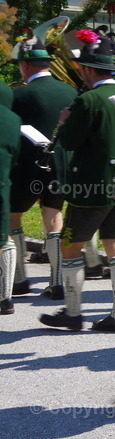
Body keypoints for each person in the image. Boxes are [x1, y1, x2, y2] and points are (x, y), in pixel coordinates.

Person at [39, 30, 115, 333]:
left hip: (91, 185)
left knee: (70, 246)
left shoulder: (88, 100)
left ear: (90, 69)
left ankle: (72, 312)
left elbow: (69, 141)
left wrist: (64, 121)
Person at [7, 29, 77, 300]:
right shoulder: (70, 91)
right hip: (61, 165)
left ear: (25, 65)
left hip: (28, 166)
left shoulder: (21, 95)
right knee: (54, 217)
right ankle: (57, 281)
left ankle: (18, 278)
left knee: (13, 217)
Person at [0, 101, 21, 315]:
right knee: (4, 236)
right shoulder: (13, 119)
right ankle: (5, 297)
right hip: (2, 183)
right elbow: (15, 157)